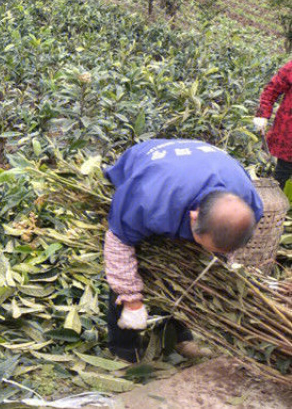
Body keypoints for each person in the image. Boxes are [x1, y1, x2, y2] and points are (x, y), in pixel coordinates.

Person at [104, 139, 262, 362]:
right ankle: (124, 348)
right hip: (150, 164)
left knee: (184, 267)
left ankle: (179, 335)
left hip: (194, 170)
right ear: (194, 218)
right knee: (138, 265)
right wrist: (131, 300)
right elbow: (118, 242)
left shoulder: (251, 202)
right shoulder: (147, 199)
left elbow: (226, 247)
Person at [254, 60, 292, 190]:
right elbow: (271, 90)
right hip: (289, 134)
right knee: (283, 172)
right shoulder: (291, 68)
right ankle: (278, 206)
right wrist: (263, 115)